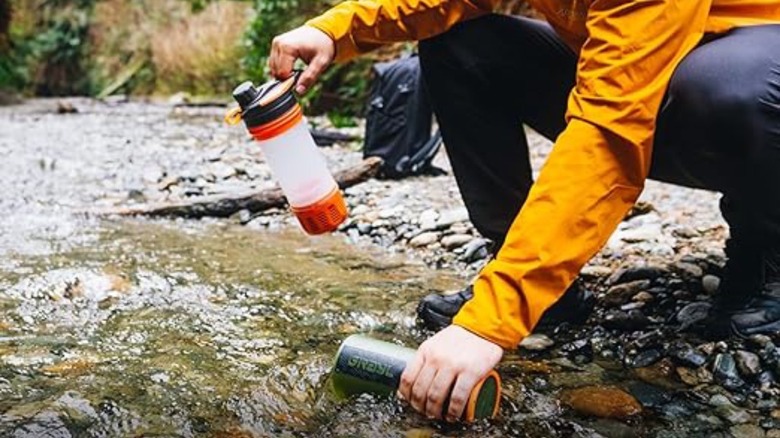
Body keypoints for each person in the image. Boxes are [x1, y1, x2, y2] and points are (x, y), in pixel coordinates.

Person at [268, 0, 780, 423]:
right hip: (634, 79)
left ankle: (764, 258)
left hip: (741, 76)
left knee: (735, 93)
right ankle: (542, 283)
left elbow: (606, 137)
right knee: (461, 46)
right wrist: (335, 29)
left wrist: (491, 321)